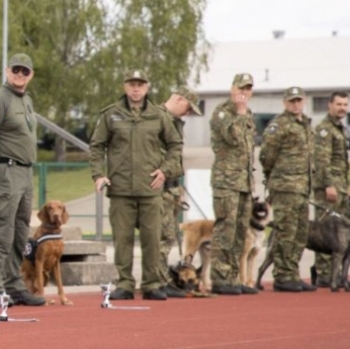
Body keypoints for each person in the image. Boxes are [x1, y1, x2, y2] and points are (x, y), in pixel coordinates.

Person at [88, 69, 182, 301]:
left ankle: (151, 284)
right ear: (125, 87)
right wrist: (98, 175)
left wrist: (165, 171)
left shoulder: (158, 115)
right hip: (120, 188)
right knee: (122, 240)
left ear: (147, 87)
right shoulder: (111, 115)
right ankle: (125, 284)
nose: (136, 88)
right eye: (132, 84)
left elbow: (175, 146)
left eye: (140, 84)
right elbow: (97, 146)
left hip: (150, 188)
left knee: (152, 239)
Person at [0, 53, 45, 308]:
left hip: (24, 173)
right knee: (2, 231)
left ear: (31, 75)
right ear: (7, 70)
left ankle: (14, 285)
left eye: (25, 71)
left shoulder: (25, 100)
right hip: (7, 171)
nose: (20, 74)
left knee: (20, 232)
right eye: (16, 69)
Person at [208, 72, 260, 295]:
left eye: (247, 89)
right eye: (240, 89)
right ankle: (220, 277)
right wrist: (239, 112)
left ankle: (234, 277)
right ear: (232, 89)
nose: (244, 93)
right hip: (226, 181)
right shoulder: (222, 113)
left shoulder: (248, 114)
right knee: (225, 229)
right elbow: (233, 138)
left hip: (244, 182)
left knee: (240, 231)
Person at [260, 86, 314, 291]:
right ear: (285, 102)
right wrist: (276, 177)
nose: (296, 104)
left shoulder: (305, 124)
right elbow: (267, 156)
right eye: (292, 101)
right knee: (286, 232)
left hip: (302, 188)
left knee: (300, 233)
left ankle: (292, 273)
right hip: (285, 187)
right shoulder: (279, 125)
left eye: (299, 100)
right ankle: (282, 275)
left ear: (304, 101)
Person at [156, 85, 203, 297]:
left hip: (173, 187)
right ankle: (158, 281)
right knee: (160, 237)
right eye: (188, 107)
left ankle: (163, 279)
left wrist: (179, 187)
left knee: (167, 236)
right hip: (159, 188)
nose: (189, 112)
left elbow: (175, 157)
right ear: (178, 99)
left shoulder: (175, 122)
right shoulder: (157, 118)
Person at [309, 91, 350, 288]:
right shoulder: (325, 129)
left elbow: (342, 160)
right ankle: (323, 273)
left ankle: (335, 274)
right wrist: (329, 185)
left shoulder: (340, 129)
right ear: (329, 105)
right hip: (329, 188)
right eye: (339, 104)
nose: (342, 108)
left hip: (340, 186)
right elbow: (322, 160)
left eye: (345, 104)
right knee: (324, 231)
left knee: (338, 232)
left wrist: (346, 184)